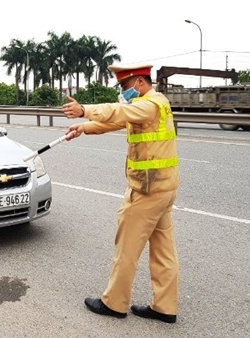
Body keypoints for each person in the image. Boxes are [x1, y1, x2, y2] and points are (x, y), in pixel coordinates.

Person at [61, 63, 180, 324]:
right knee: (163, 251)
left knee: (126, 249)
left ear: (139, 82)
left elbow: (119, 111)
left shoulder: (149, 104)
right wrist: (84, 127)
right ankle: (164, 306)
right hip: (165, 188)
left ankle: (114, 303)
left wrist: (84, 110)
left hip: (147, 191)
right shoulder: (156, 103)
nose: (123, 92)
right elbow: (119, 120)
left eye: (125, 86)